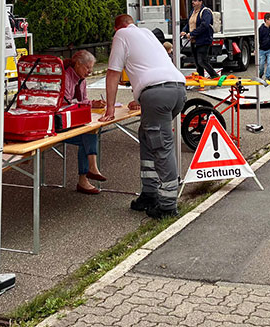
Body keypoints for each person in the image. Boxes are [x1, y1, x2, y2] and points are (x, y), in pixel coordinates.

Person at [104, 14, 186, 219]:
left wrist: (110, 109)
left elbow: (113, 73)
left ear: (117, 28)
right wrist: (141, 99)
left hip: (157, 94)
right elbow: (149, 65)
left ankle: (167, 205)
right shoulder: (147, 33)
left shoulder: (121, 35)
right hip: (177, 90)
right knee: (147, 137)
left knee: (161, 146)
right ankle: (149, 193)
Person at [61, 50, 107, 195]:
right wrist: (90, 104)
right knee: (89, 133)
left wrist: (93, 103)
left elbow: (83, 101)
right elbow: (66, 103)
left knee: (89, 133)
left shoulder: (82, 79)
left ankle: (86, 176)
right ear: (78, 64)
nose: (90, 71)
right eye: (88, 67)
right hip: (60, 122)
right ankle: (88, 173)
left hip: (72, 121)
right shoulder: (65, 76)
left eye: (91, 68)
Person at [182, 0, 218, 78]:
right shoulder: (192, 11)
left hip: (204, 40)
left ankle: (214, 75)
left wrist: (192, 34)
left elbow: (204, 25)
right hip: (194, 41)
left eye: (195, 0)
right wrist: (184, 31)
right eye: (192, 0)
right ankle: (201, 78)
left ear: (200, 2)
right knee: (197, 63)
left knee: (202, 61)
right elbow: (189, 23)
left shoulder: (206, 12)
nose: (192, 2)